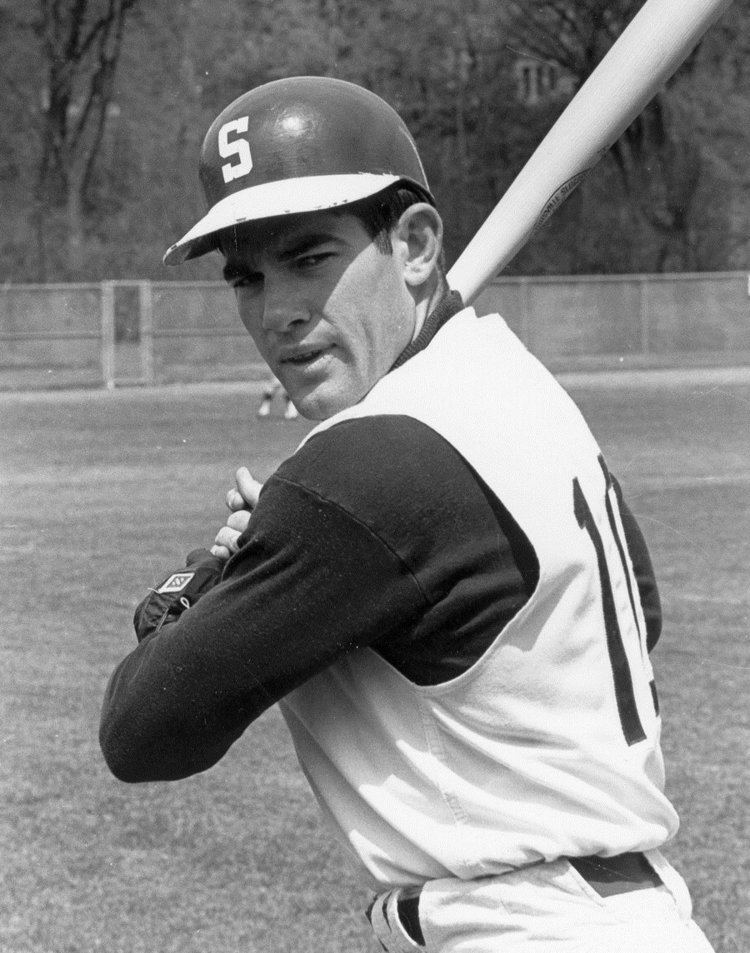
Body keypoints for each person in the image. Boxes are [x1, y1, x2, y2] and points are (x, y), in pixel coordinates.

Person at [99, 76, 715, 953]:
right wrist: (316, 558)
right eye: (248, 277)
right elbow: (636, 612)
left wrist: (207, 583)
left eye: (312, 257)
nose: (279, 311)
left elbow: (142, 731)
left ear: (417, 243)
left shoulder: (370, 464)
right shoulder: (513, 385)